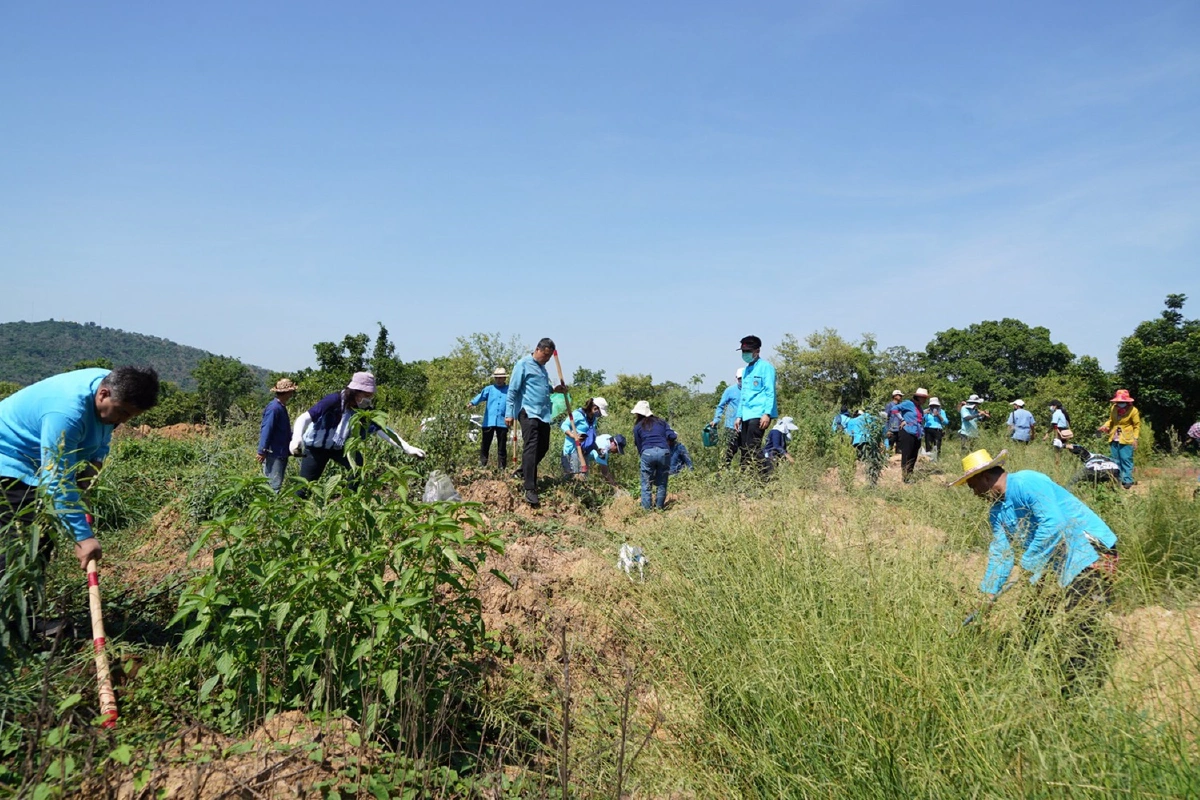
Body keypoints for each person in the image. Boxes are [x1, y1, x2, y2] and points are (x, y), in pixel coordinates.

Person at [949, 449, 1118, 690]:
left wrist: (1028, 565)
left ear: (985, 477)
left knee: (1082, 622)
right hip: (1053, 561)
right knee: (1033, 616)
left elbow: (1054, 524)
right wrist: (989, 593)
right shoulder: (997, 511)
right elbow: (1001, 553)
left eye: (972, 485)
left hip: (1089, 553)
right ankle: (1028, 675)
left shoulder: (1028, 481)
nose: (973, 493)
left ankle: (1081, 690)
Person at [1, 366, 159, 611]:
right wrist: (83, 537)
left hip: (39, 462)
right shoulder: (66, 412)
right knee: (18, 543)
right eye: (122, 413)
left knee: (41, 538)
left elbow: (102, 436)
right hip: (9, 459)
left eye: (130, 417)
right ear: (103, 394)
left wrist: (89, 472)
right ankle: (12, 623)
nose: (123, 421)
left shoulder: (110, 392)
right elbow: (55, 481)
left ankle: (28, 618)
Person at [289, 372, 425, 489]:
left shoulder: (363, 409)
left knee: (359, 468)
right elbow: (304, 418)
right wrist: (296, 438)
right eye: (366, 394)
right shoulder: (333, 400)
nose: (369, 399)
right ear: (355, 392)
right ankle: (296, 512)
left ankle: (351, 502)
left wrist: (407, 448)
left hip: (339, 446)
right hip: (316, 447)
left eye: (371, 396)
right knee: (305, 486)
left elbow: (382, 429)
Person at [506, 338, 566, 507]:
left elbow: (543, 388)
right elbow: (513, 390)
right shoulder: (523, 365)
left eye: (549, 357)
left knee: (543, 446)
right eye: (545, 356)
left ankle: (522, 471)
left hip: (543, 414)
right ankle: (530, 488)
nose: (546, 360)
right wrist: (509, 413)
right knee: (531, 447)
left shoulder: (542, 369)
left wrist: (555, 389)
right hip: (528, 412)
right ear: (538, 349)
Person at [735, 336, 777, 476]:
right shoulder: (746, 370)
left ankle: (768, 475)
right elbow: (744, 395)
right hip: (746, 414)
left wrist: (767, 413)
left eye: (748, 351)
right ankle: (750, 479)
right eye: (743, 351)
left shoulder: (766, 368)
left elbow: (770, 392)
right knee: (745, 449)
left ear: (757, 351)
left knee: (753, 448)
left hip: (759, 414)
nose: (745, 354)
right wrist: (739, 415)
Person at [632, 400, 675, 510]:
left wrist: (643, 455)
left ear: (638, 413)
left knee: (646, 483)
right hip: (664, 452)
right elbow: (672, 436)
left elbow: (638, 444)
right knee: (662, 482)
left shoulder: (637, 427)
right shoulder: (661, 422)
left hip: (647, 452)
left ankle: (647, 510)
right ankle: (659, 508)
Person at [257, 378, 298, 492]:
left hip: (280, 451)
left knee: (275, 482)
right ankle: (271, 507)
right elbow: (267, 429)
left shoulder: (280, 407)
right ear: (288, 392)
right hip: (274, 452)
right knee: (274, 485)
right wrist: (262, 450)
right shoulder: (274, 408)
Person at [468, 368, 510, 469]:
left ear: (504, 378)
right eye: (497, 378)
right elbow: (480, 396)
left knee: (502, 446)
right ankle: (482, 465)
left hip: (503, 421)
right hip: (489, 421)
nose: (499, 380)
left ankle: (501, 467)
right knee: (485, 444)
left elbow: (514, 401)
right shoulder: (489, 389)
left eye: (500, 378)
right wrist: (472, 403)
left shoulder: (509, 390)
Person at [1097, 389, 1140, 489]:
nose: (1119, 404)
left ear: (1127, 401)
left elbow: (1136, 425)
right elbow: (1111, 421)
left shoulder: (1133, 410)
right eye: (1118, 402)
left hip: (1127, 438)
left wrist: (1135, 438)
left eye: (1122, 402)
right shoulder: (1114, 408)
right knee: (1115, 460)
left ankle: (1127, 480)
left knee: (1126, 459)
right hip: (1114, 437)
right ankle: (1117, 479)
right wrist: (1105, 426)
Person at [560, 397, 608, 476]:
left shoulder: (593, 419)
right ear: (595, 408)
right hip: (572, 450)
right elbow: (564, 425)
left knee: (583, 477)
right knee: (573, 477)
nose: (600, 415)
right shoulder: (578, 414)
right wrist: (573, 436)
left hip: (584, 452)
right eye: (600, 413)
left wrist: (597, 449)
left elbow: (590, 437)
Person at [711, 368, 743, 466]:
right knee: (730, 450)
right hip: (731, 426)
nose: (742, 381)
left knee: (746, 451)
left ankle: (744, 472)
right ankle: (725, 469)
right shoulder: (730, 390)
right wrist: (716, 419)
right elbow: (721, 406)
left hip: (746, 426)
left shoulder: (750, 391)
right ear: (736, 378)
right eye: (740, 379)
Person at [895, 388, 928, 481]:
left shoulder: (919, 407)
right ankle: (905, 477)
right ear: (918, 397)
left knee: (914, 455)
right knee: (907, 455)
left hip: (917, 433)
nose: (925, 400)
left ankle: (910, 475)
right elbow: (894, 409)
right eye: (924, 398)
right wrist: (902, 419)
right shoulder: (908, 403)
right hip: (907, 432)